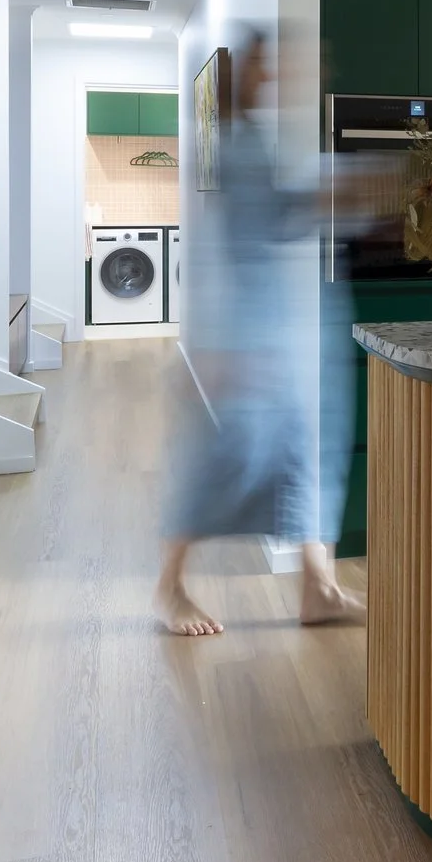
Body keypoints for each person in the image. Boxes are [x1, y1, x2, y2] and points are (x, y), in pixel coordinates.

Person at [155, 36, 364, 636]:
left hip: (291, 330)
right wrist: (215, 345)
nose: (288, 76)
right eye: (276, 66)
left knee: (307, 453)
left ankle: (318, 588)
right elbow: (255, 228)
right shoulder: (237, 145)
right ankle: (168, 588)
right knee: (224, 460)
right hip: (252, 332)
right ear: (249, 75)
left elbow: (287, 213)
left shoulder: (262, 142)